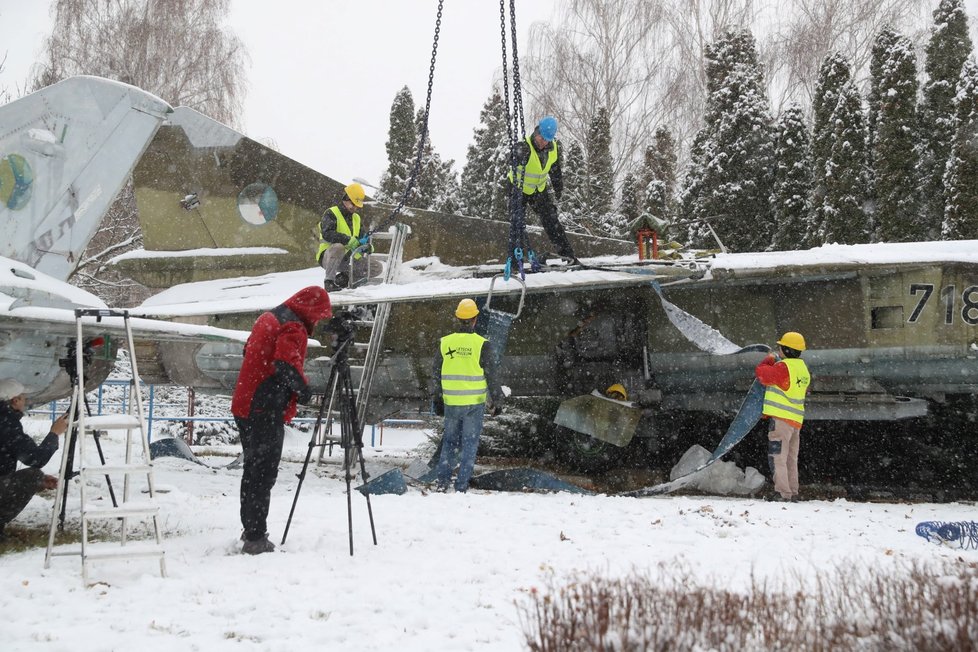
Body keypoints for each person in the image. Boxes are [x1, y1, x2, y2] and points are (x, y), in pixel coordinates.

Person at [231, 286, 332, 554]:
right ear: (310, 310)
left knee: (252, 469)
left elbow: (249, 353)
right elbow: (285, 363)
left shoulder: (268, 318)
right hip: (263, 407)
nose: (317, 322)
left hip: (245, 402)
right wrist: (304, 390)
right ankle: (255, 537)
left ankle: (250, 527)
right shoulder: (293, 326)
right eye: (319, 316)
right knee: (263, 473)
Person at [431, 299, 504, 493]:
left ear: (457, 318)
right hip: (473, 405)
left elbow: (436, 374)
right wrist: (497, 400)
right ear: (475, 319)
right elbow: (492, 375)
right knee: (469, 444)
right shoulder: (482, 345)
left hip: (452, 403)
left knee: (449, 442)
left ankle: (442, 483)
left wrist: (437, 399)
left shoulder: (445, 343)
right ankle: (461, 485)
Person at [0, 379, 69, 541]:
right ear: (15, 401)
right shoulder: (7, 424)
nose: (25, 402)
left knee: (35, 477)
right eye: (24, 398)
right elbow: (36, 459)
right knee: (33, 475)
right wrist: (54, 434)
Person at [507, 116, 576, 261]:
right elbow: (510, 159)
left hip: (538, 190)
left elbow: (555, 169)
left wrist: (558, 186)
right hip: (518, 188)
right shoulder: (524, 146)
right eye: (542, 138)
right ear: (537, 132)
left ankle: (567, 255)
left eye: (547, 140)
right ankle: (513, 260)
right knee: (517, 223)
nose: (544, 142)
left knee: (551, 219)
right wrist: (517, 155)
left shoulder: (553, 148)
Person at [755, 332, 811, 502]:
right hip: (795, 422)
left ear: (786, 349)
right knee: (790, 458)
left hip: (781, 421)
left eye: (780, 347)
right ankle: (793, 491)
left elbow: (762, 374)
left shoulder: (783, 367)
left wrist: (769, 360)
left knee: (778, 456)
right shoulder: (802, 369)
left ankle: (782, 492)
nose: (778, 350)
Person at [316, 182, 376, 291]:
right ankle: (329, 282)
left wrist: (366, 246)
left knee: (376, 267)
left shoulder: (356, 218)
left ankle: (344, 277)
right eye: (353, 204)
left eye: (357, 206)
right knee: (338, 247)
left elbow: (361, 237)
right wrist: (347, 240)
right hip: (329, 257)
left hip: (348, 258)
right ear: (346, 199)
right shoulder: (331, 213)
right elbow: (327, 233)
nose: (355, 208)